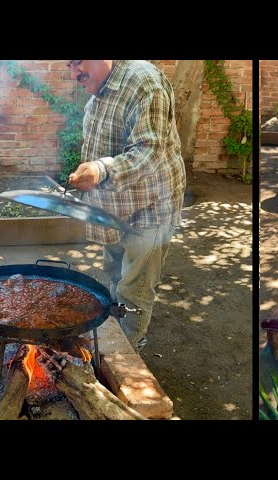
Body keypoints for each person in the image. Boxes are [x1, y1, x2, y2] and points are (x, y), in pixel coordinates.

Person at [66, 60, 186, 352]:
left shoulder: (144, 83)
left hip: (151, 206)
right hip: (116, 207)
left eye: (77, 62)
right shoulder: (100, 85)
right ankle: (113, 338)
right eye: (68, 64)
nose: (73, 73)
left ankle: (128, 356)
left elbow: (149, 152)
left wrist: (102, 169)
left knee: (136, 287)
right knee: (114, 274)